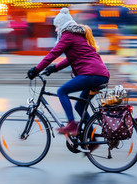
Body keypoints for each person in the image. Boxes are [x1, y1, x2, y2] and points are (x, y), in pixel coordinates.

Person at [27, 8, 110, 136]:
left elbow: (53, 53)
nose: (55, 30)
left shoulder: (68, 35)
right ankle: (91, 137)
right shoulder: (77, 35)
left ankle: (71, 125)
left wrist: (36, 69)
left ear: (62, 25)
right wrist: (54, 68)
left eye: (56, 27)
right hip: (99, 74)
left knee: (62, 91)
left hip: (91, 74)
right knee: (79, 106)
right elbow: (72, 58)